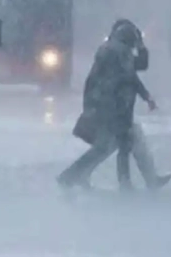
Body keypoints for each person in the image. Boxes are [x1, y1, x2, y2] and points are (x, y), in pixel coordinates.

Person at [57, 22, 156, 191]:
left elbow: (126, 75)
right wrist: (142, 47)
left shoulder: (110, 49)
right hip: (114, 107)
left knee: (116, 144)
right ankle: (70, 176)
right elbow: (136, 71)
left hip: (106, 105)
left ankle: (78, 176)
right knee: (113, 145)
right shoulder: (120, 51)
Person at [90, 19, 171, 190]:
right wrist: (141, 46)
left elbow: (132, 76)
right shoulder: (118, 54)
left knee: (122, 145)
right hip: (116, 110)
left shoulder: (115, 52)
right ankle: (131, 182)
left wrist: (146, 96)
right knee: (117, 147)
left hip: (115, 109)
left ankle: (144, 181)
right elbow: (138, 69)